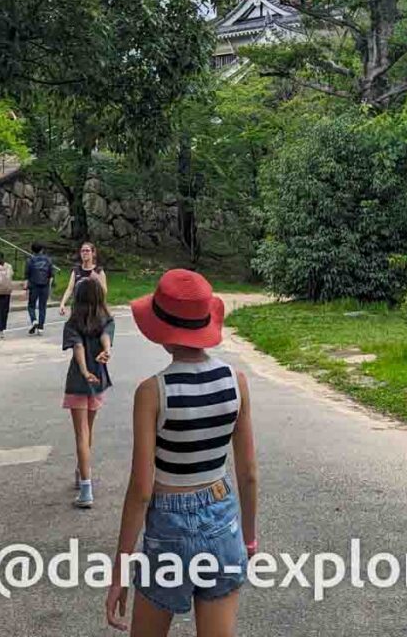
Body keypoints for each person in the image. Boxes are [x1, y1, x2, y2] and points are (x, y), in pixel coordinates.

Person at [106, 269, 258, 637]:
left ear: (161, 332)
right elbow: (249, 472)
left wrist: (120, 571)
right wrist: (249, 539)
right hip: (224, 521)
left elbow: (142, 489)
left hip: (169, 530)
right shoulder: (235, 382)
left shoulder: (152, 393)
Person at [62, 276, 115, 509]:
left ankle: (86, 489)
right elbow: (105, 336)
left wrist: (83, 371)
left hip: (78, 381)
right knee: (89, 431)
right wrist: (106, 351)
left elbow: (78, 347)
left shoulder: (73, 322)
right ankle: (80, 471)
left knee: (81, 434)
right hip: (98, 380)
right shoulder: (106, 318)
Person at [59, 241, 107, 316]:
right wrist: (62, 303)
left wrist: (97, 279)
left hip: (94, 309)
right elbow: (70, 289)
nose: (84, 253)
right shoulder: (76, 270)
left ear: (93, 253)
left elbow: (104, 292)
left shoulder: (99, 271)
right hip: (78, 308)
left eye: (87, 250)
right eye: (82, 251)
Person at [24, 241, 55, 335]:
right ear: (42, 250)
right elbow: (51, 275)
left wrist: (26, 286)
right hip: (44, 285)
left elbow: (27, 275)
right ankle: (41, 327)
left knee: (31, 305)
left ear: (32, 250)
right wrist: (49, 287)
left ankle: (34, 320)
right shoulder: (48, 260)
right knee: (42, 307)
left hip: (33, 285)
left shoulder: (30, 260)